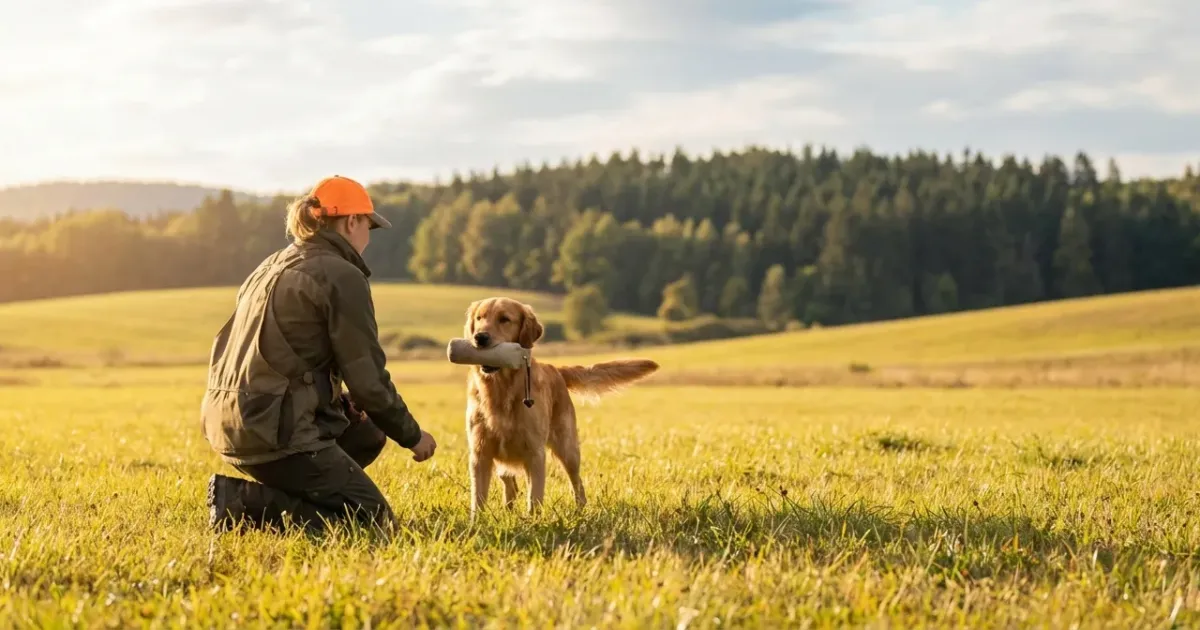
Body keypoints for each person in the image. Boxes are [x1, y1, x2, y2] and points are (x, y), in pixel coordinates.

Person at [201, 174, 437, 535]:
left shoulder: (271, 264)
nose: (368, 238)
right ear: (352, 221)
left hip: (230, 421)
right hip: (273, 431)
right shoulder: (341, 275)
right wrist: (413, 436)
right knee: (373, 525)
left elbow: (284, 355)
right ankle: (242, 505)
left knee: (367, 432)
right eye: (368, 226)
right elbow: (368, 381)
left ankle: (295, 495)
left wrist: (337, 400)